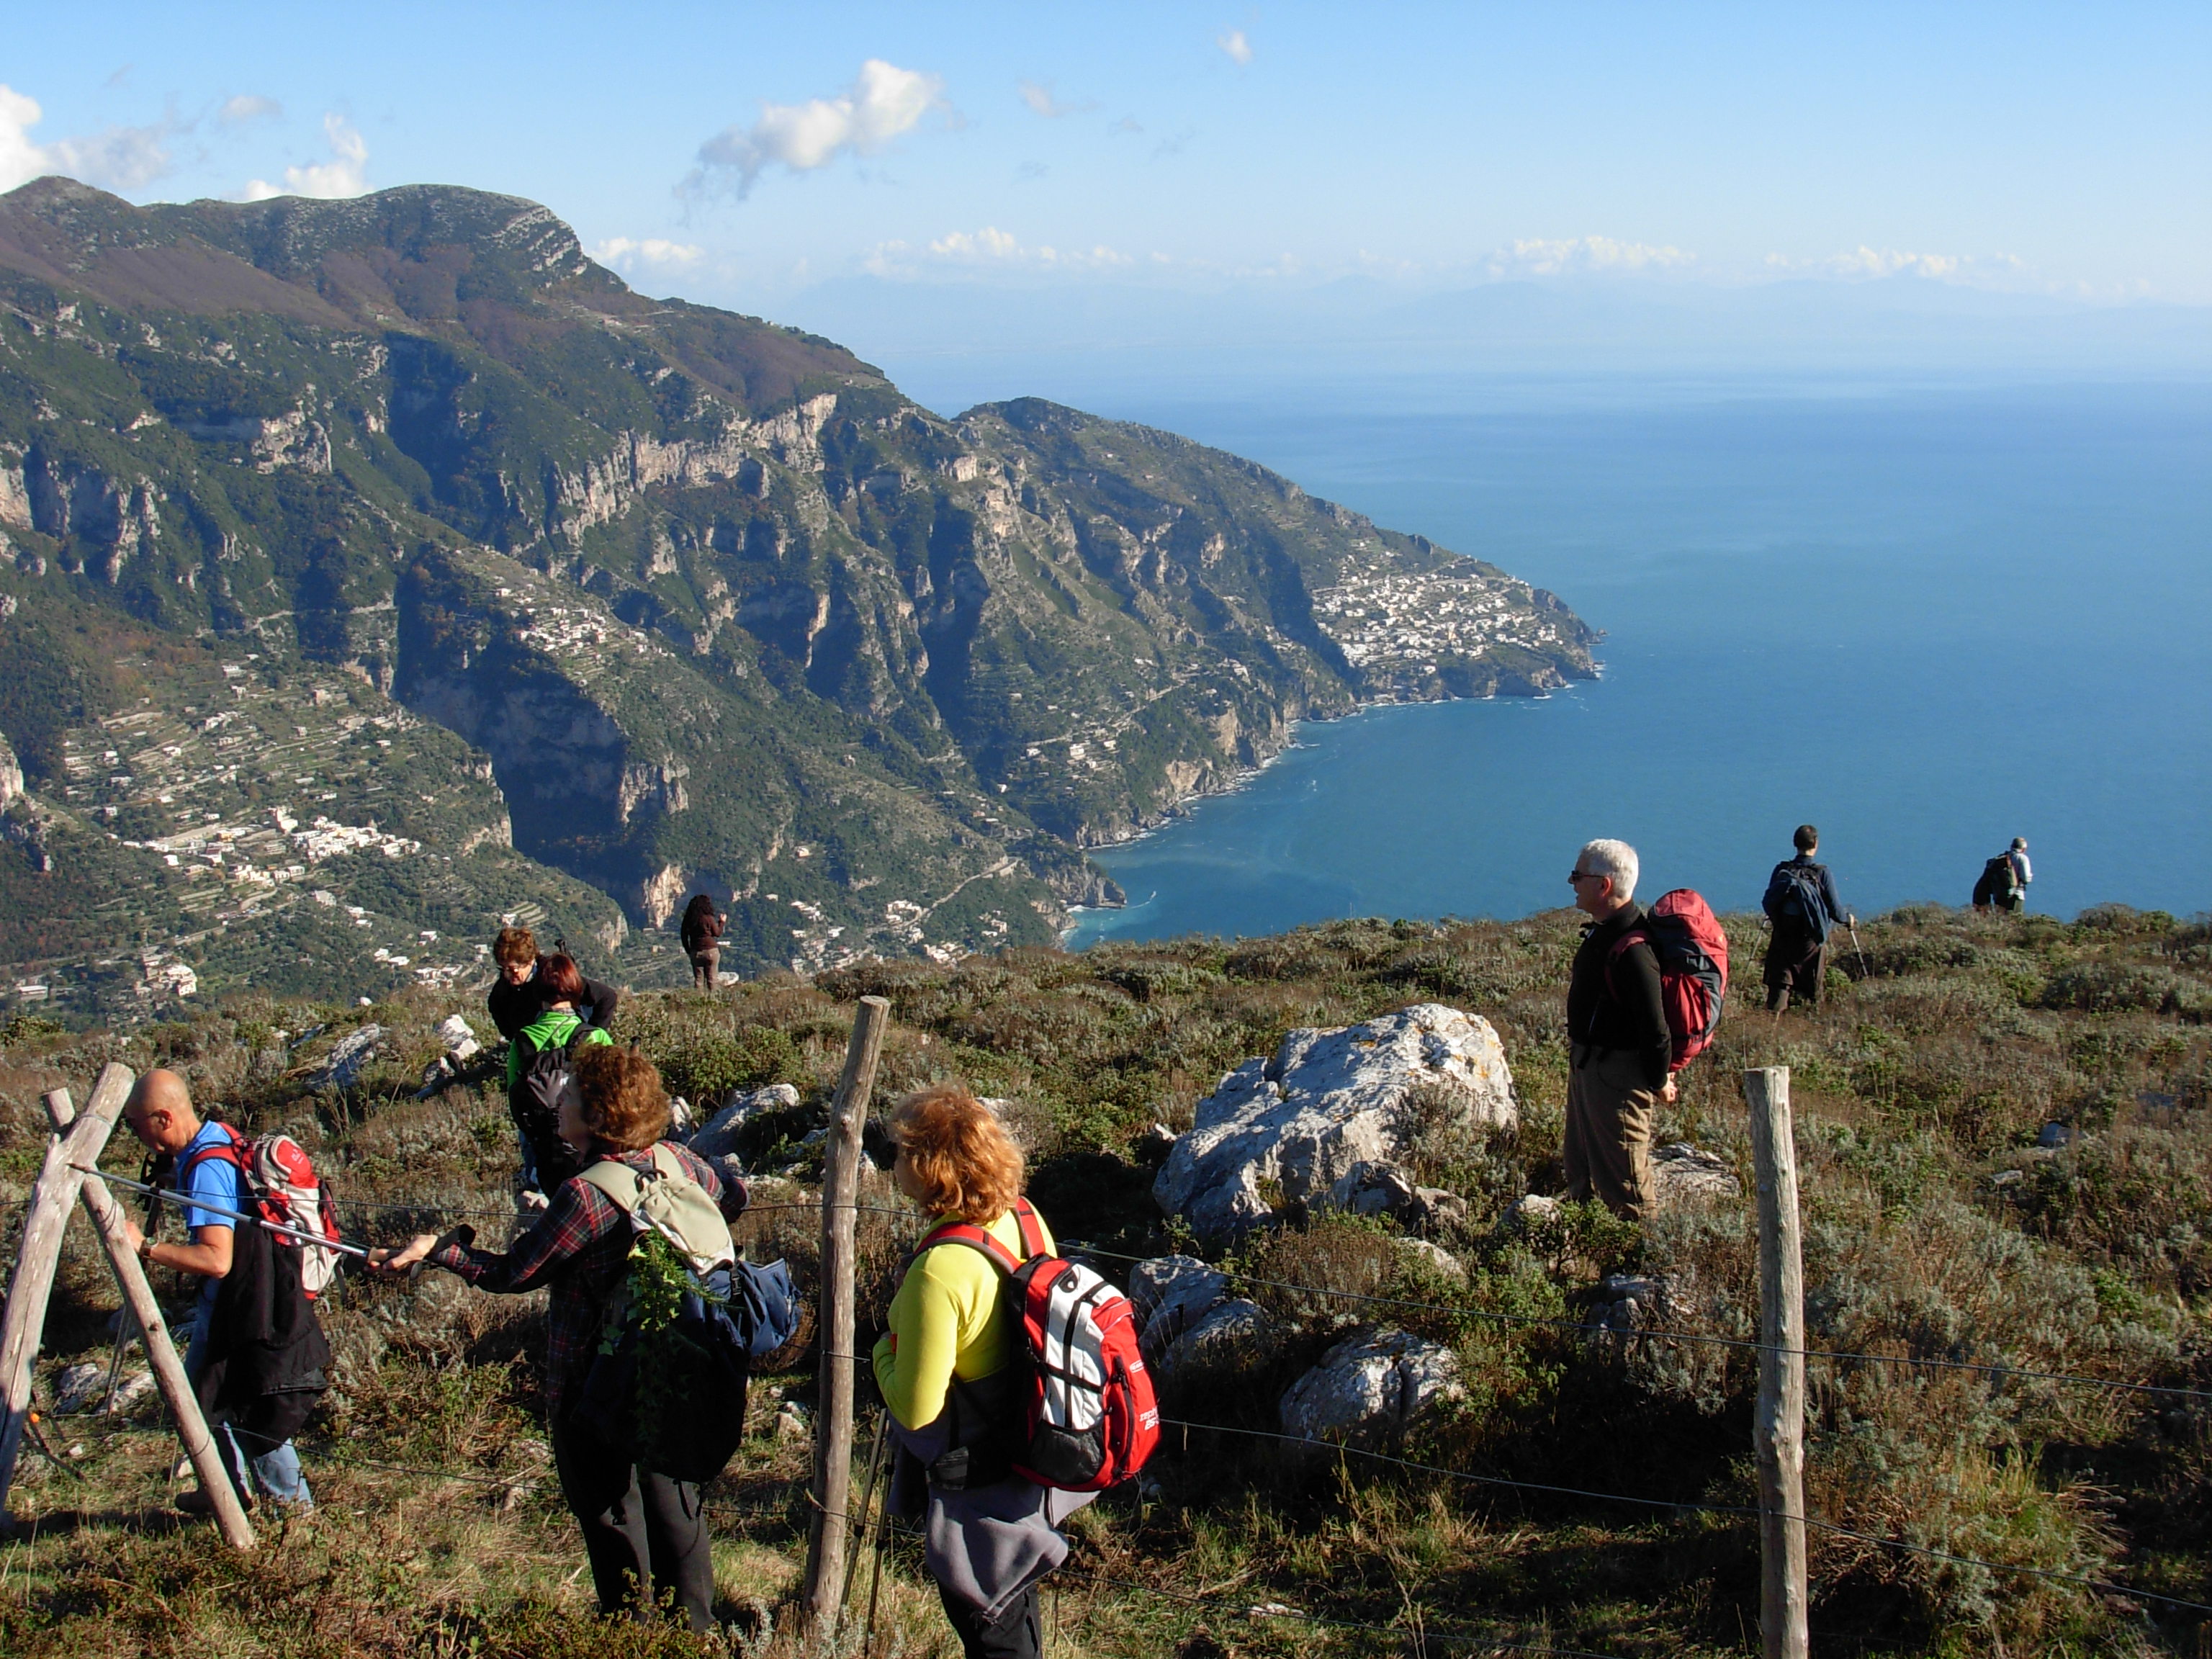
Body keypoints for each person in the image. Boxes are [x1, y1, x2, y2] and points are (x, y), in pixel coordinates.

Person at [370, 1046, 748, 1631]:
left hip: (592, 1382)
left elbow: (513, 1272)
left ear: (597, 1114)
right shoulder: (678, 1161)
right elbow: (735, 1197)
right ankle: (694, 1634)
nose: (558, 1105)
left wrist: (440, 1251)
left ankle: (629, 1634)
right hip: (673, 1370)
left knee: (610, 1514)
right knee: (676, 1508)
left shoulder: (586, 1196)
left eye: (568, 1096)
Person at [873, 1084, 1092, 1659]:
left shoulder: (940, 1270)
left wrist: (880, 1355)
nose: (894, 1163)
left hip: (978, 1481)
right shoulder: (1025, 1217)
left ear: (928, 1167)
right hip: (1029, 1454)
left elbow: (915, 1409)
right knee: (1014, 1608)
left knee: (990, 1627)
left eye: (901, 1152)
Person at [119, 1070, 323, 1515]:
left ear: (164, 1118)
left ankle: (289, 1508)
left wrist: (146, 1247)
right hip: (254, 1292)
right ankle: (226, 1491)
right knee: (207, 1396)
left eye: (136, 1124)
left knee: (245, 1402)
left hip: (241, 1302)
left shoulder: (206, 1167)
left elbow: (216, 1259)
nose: (135, 1134)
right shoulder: (216, 1136)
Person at [1562, 839, 1674, 1222]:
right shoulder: (1608, 933)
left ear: (1603, 885)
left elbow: (1655, 1029)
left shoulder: (1635, 951)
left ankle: (1640, 1249)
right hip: (1590, 1067)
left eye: (1577, 876)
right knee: (1583, 1168)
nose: (1572, 882)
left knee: (1626, 1184)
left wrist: (1659, 1079)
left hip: (1617, 1078)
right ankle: (1588, 1241)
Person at [508, 953, 613, 1198]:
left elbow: (515, 1102)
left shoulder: (522, 1041)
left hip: (544, 1152)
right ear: (576, 989)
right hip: (589, 1151)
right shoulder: (595, 1037)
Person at [1761, 824, 1855, 1013]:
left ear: (1795, 843)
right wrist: (1848, 919)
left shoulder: (1782, 870)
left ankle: (1772, 1023)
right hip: (1809, 943)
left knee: (1780, 986)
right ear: (1816, 844)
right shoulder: (1822, 873)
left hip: (1782, 938)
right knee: (1813, 990)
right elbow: (1835, 911)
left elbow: (1770, 900)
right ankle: (1811, 1020)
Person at [487, 925, 623, 1041]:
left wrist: (590, 1035)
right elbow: (508, 1031)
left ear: (530, 960)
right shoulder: (500, 995)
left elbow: (607, 996)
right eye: (503, 969)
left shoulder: (554, 976)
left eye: (513, 969)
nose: (507, 975)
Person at [1972, 837, 2033, 913]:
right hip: (2016, 894)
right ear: (2023, 849)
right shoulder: (2022, 858)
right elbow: (2025, 878)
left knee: (2001, 917)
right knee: (2014, 918)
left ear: (2011, 846)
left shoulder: (2002, 858)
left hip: (1999, 895)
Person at [678, 894, 724, 991]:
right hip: (711, 951)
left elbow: (683, 936)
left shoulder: (688, 920)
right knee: (712, 979)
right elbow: (717, 933)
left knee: (699, 980)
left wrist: (689, 950)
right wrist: (722, 922)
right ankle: (713, 998)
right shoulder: (708, 918)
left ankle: (699, 998)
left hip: (696, 951)